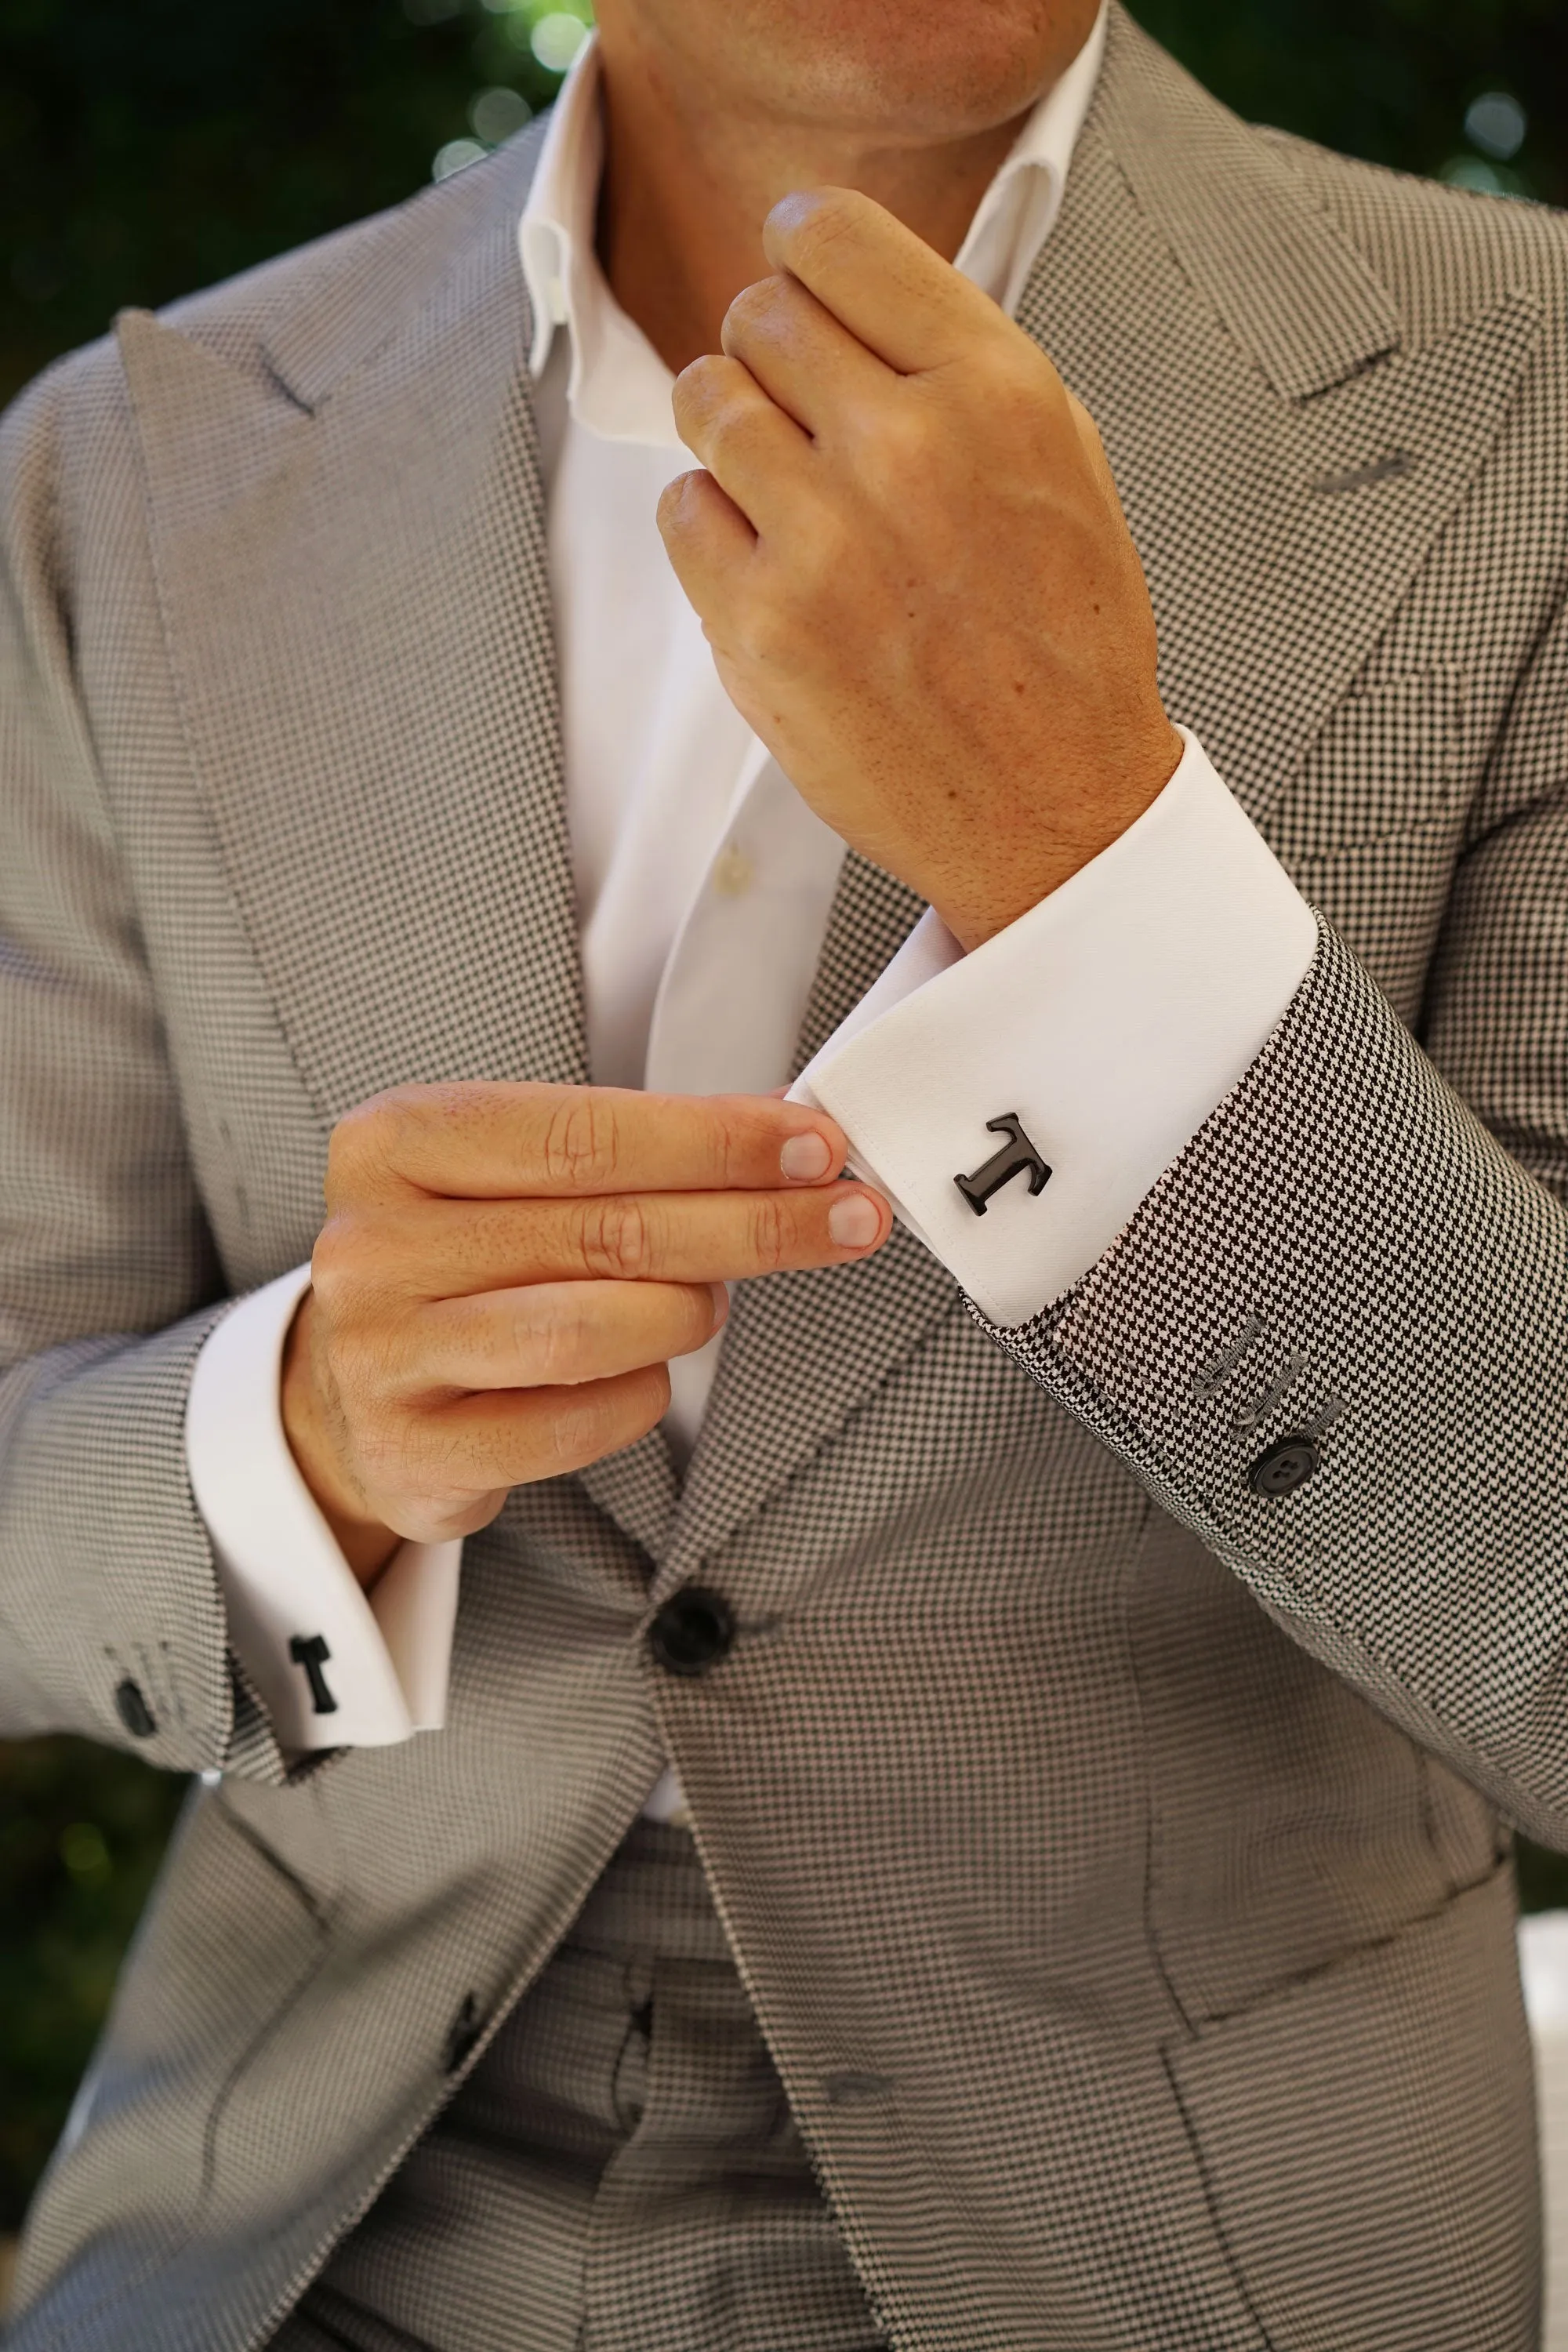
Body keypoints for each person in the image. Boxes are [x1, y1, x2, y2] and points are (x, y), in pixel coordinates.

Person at [2, 0, 1566, 2341]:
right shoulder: (119, 478)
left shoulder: (1533, 407)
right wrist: (292, 1434)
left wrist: (1087, 865)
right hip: (296, 2222)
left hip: (1192, 2240)